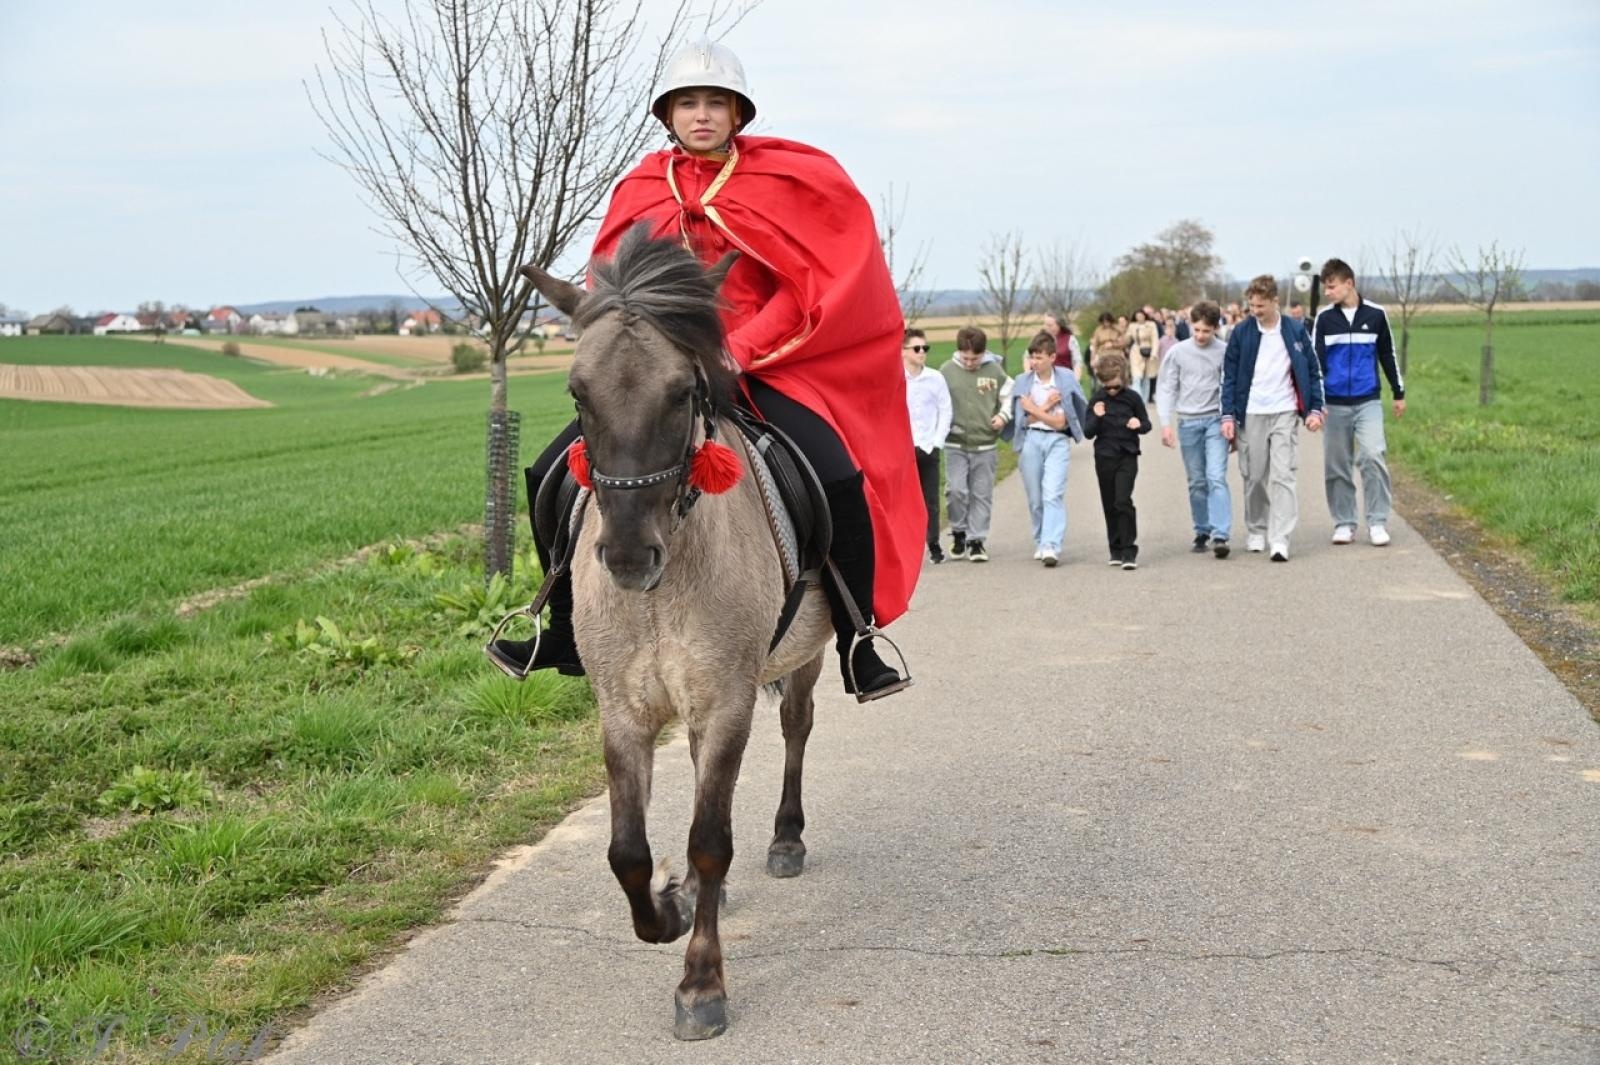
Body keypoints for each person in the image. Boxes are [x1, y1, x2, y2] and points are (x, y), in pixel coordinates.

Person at [490, 38, 920, 700]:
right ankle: (562, 623)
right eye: (687, 103)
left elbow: (803, 288)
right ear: (667, 114)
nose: (701, 115)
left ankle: (859, 638)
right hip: (662, 378)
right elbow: (613, 290)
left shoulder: (784, 181)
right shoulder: (639, 188)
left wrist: (735, 349)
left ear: (738, 113)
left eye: (715, 102)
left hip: (763, 366)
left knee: (835, 474)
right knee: (552, 470)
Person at [1220, 274, 1326, 562]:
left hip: (1284, 411)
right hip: (1251, 411)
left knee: (1283, 476)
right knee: (1254, 477)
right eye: (1252, 305)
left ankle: (1280, 538)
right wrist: (1228, 414)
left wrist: (1315, 408)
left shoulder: (1294, 330)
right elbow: (1228, 377)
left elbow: (1311, 370)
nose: (1255, 310)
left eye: (1261, 305)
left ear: (1275, 301)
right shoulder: (1241, 333)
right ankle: (1256, 529)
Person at [1314, 258, 1406, 547]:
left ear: (1348, 283)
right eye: (1325, 288)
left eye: (1331, 287)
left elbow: (1388, 355)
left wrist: (1398, 392)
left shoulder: (1376, 315)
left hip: (1368, 400)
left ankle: (1377, 522)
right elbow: (1316, 363)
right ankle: (1344, 523)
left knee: (1372, 455)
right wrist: (1317, 402)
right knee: (1336, 464)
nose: (1327, 293)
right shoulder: (1325, 319)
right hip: (1334, 402)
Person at [1157, 301, 1232, 558]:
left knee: (1216, 477)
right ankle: (1203, 529)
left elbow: (1231, 387)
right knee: (1197, 481)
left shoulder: (1224, 351)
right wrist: (1165, 423)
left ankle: (1221, 534)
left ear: (1215, 329)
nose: (1200, 336)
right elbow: (1167, 388)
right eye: (1196, 330)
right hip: (1188, 422)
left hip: (1215, 420)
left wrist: (1232, 421)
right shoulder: (1178, 352)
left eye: (1206, 331)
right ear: (1190, 325)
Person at [1006, 331, 1087, 566]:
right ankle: (1041, 539)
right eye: (1032, 357)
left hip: (1057, 441)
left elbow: (1062, 422)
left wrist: (1035, 409)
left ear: (1052, 357)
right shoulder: (1023, 381)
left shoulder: (1066, 379)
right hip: (1031, 440)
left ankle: (1051, 544)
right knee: (1035, 498)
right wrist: (1045, 407)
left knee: (1053, 493)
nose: (1034, 362)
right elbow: (1022, 421)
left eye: (1039, 357)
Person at [939, 325, 1012, 563]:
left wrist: (1003, 416)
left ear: (983, 353)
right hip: (955, 443)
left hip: (985, 444)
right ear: (959, 351)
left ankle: (977, 540)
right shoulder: (947, 371)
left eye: (975, 358)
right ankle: (959, 533)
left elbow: (1010, 395)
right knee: (957, 490)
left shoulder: (994, 371)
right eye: (966, 358)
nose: (970, 363)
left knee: (981, 494)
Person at [1083, 353, 1151, 570]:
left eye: (1115, 387)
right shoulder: (1096, 400)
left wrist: (1137, 423)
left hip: (1127, 455)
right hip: (1104, 456)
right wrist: (1097, 416)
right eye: (1107, 387)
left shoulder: (1132, 398)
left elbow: (1147, 424)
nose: (1111, 391)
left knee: (1123, 500)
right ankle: (1115, 548)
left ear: (1123, 378)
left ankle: (1130, 549)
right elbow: (1088, 432)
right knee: (1110, 503)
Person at [902, 327, 953, 563]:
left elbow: (945, 410)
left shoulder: (935, 378)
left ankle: (933, 543)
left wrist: (936, 442)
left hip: (928, 447)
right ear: (903, 351)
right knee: (904, 502)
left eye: (925, 348)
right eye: (916, 348)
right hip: (903, 450)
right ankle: (907, 548)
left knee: (930, 500)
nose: (922, 352)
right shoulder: (895, 379)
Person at [1125, 308, 1158, 403]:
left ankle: (1144, 399)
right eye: (1137, 315)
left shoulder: (1151, 325)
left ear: (1144, 315)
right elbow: (1127, 338)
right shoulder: (1132, 326)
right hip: (1136, 351)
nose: (1139, 317)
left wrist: (1154, 353)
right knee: (1136, 376)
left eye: (1141, 315)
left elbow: (1155, 339)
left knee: (1146, 377)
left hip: (1149, 351)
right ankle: (1137, 398)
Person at [1089, 311, 1122, 380]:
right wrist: (1092, 358)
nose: (1106, 323)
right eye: (1104, 321)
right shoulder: (1098, 330)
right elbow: (1095, 345)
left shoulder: (1117, 329)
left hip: (1115, 354)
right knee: (1105, 374)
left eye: (1107, 321)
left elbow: (1123, 342)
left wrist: (1113, 344)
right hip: (1103, 354)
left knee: (1116, 374)